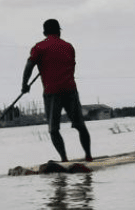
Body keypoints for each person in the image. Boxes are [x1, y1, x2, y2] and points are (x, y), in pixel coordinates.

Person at [22, 19, 92, 162]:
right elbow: (71, 67)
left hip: (52, 92)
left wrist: (25, 85)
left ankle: (64, 159)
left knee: (53, 129)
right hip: (70, 90)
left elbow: (29, 66)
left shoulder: (39, 47)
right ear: (59, 31)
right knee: (80, 125)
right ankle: (88, 156)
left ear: (44, 32)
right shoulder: (68, 47)